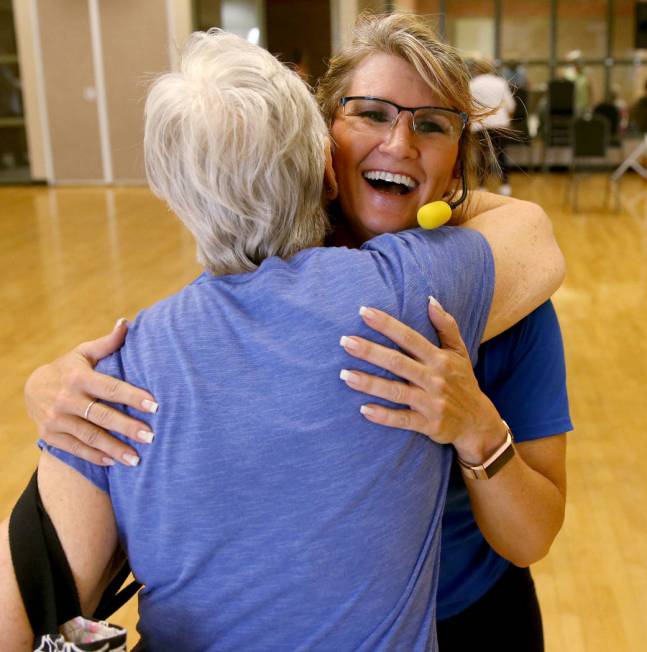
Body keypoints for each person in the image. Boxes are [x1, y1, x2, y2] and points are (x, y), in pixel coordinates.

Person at [0, 27, 562, 651]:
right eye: (372, 114)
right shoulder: (379, 285)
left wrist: (479, 429)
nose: (399, 142)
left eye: (433, 125)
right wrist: (46, 388)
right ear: (325, 144)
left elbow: (533, 537)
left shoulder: (504, 297)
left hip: (470, 614)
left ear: (459, 154)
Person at [468, 57, 516, 196]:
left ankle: (482, 186)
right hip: (500, 124)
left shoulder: (472, 84)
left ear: (477, 69)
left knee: (481, 156)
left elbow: (468, 107)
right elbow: (511, 105)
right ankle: (505, 186)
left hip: (480, 125)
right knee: (501, 155)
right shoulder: (500, 83)